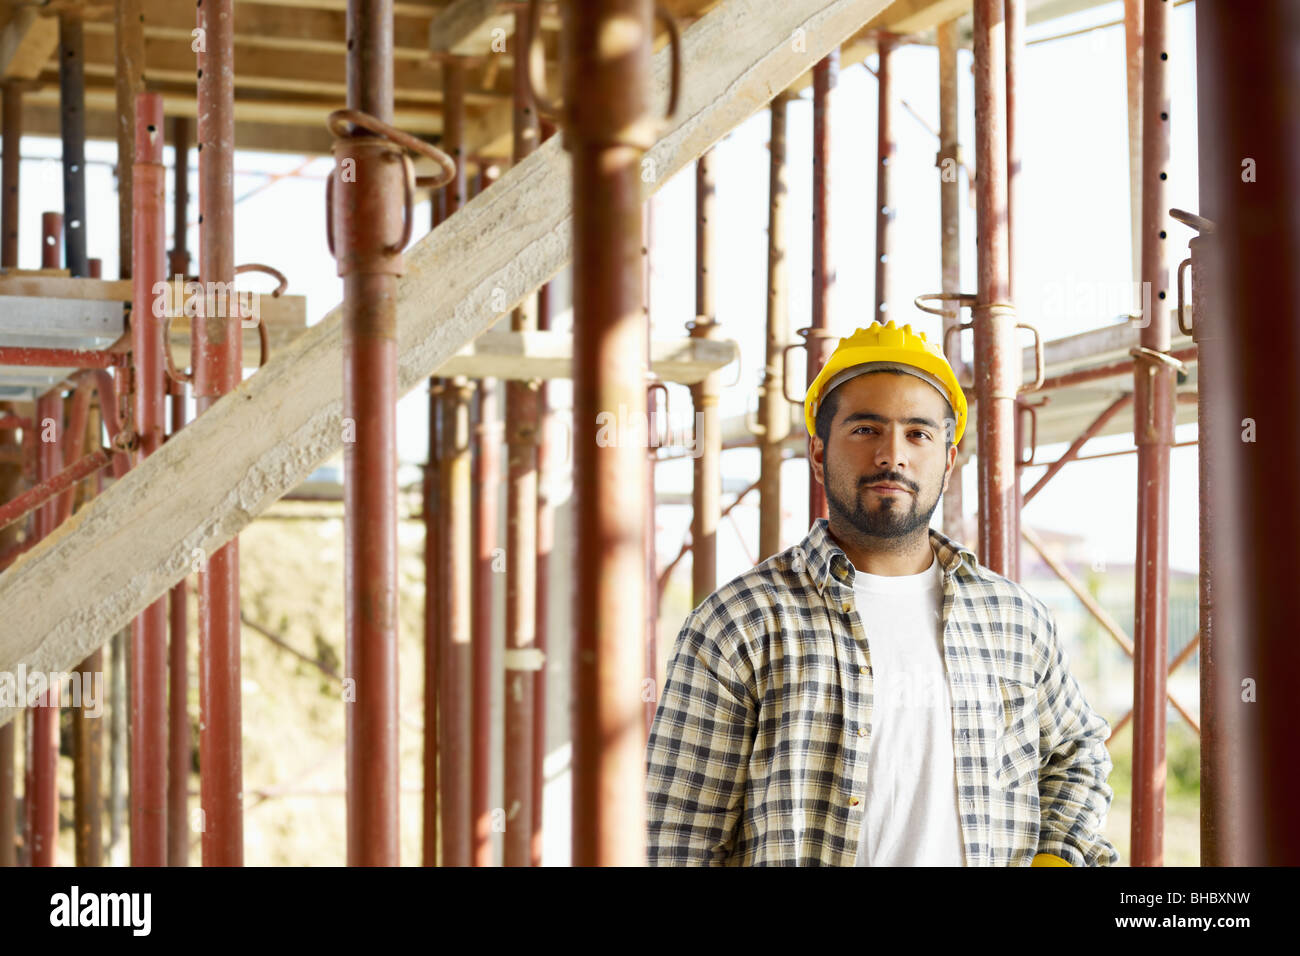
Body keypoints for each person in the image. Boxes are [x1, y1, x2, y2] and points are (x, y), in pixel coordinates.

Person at [645, 320, 1119, 866]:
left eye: (918, 433)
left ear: (949, 458)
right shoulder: (739, 624)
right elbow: (676, 838)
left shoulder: (1013, 619)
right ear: (819, 454)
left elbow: (1076, 754)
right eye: (866, 429)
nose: (892, 455)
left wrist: (1057, 858)